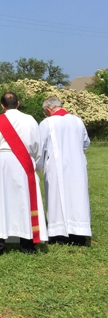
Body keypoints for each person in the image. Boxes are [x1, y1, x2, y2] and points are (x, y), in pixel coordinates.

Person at [0, 92, 48, 254]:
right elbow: (38, 144)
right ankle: (27, 244)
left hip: (1, 161)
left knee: (0, 200)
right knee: (25, 200)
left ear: (2, 106)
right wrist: (36, 162)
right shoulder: (30, 120)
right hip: (23, 162)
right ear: (18, 103)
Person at [37, 96, 91, 246]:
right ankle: (79, 233)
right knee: (77, 198)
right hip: (77, 165)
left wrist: (38, 166)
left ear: (48, 109)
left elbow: (39, 148)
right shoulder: (77, 120)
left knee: (56, 198)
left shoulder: (47, 123)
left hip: (56, 165)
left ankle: (58, 234)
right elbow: (86, 142)